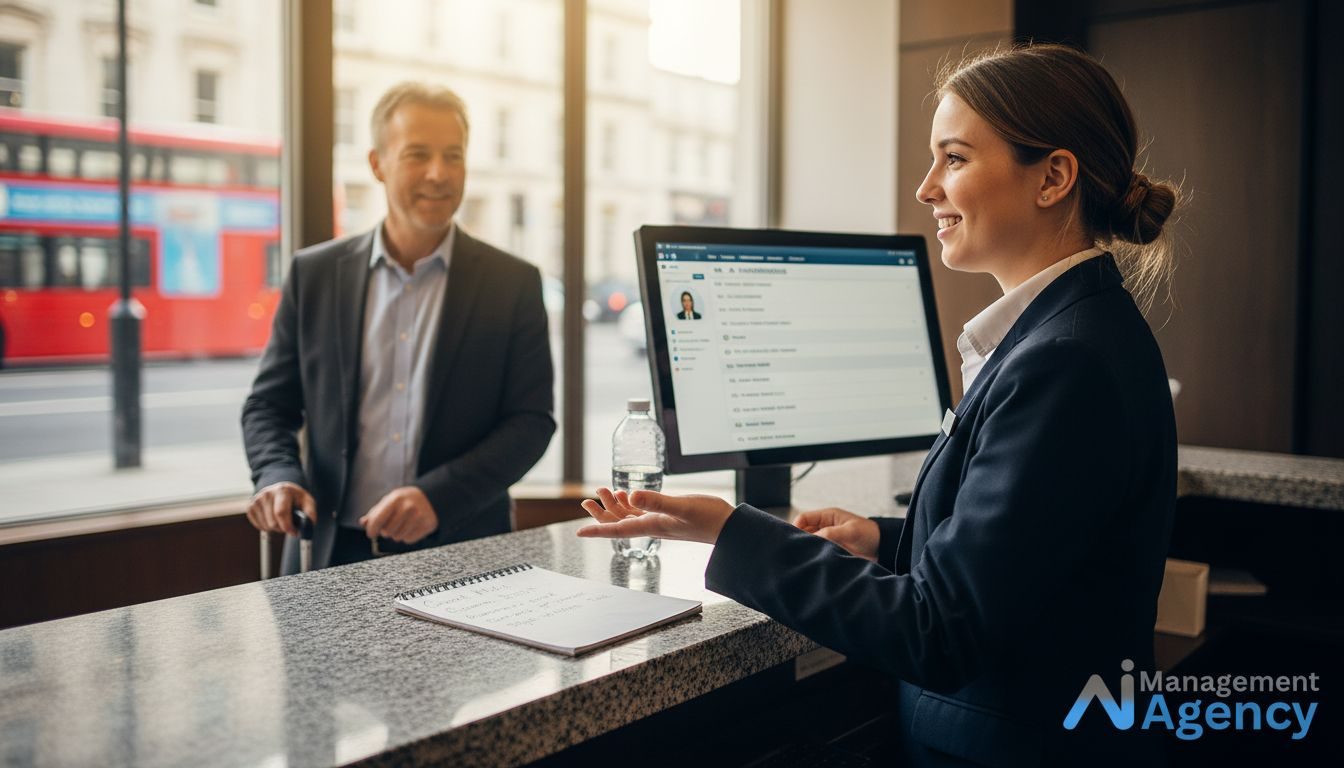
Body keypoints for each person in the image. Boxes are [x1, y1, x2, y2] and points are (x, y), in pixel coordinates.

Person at [578, 44, 1178, 767]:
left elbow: (941, 631)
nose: (926, 188)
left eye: (954, 159)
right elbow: (1025, 557)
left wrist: (733, 533)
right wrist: (885, 541)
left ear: (1052, 177)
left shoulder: (1065, 361)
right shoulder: (1080, 330)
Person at [243, 82, 555, 573]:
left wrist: (439, 496)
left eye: (454, 156)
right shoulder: (315, 274)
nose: (439, 173)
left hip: (462, 550)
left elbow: (531, 422)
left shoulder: (513, 282)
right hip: (328, 556)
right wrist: (277, 474)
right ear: (376, 164)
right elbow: (268, 404)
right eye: (417, 154)